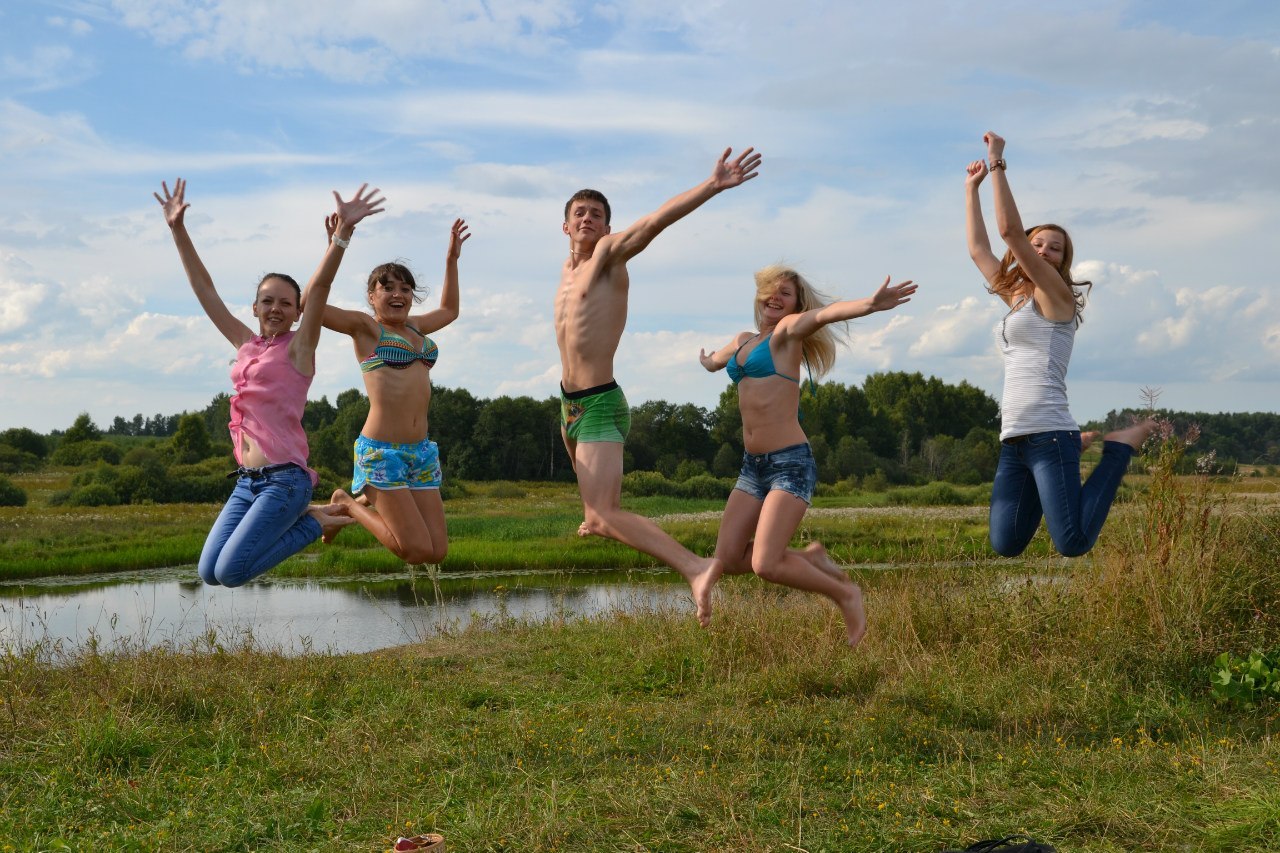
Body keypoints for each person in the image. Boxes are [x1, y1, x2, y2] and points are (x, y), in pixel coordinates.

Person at [555, 147, 762, 628]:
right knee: (597, 517)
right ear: (564, 226)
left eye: (597, 214)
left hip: (600, 401)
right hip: (569, 405)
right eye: (579, 212)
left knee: (604, 516)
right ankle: (601, 515)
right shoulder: (566, 273)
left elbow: (654, 222)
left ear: (607, 227)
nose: (588, 218)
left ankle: (696, 567)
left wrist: (711, 186)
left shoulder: (608, 256)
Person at [156, 178, 384, 586]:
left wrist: (341, 236)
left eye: (285, 303)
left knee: (231, 572)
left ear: (297, 312)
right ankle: (311, 516)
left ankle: (315, 523)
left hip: (284, 481)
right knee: (208, 572)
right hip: (247, 482)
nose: (275, 308)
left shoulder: (299, 348)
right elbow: (204, 290)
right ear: (255, 307)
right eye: (267, 301)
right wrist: (178, 230)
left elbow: (320, 289)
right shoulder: (244, 343)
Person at [699, 267, 916, 647]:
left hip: (789, 464)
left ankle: (845, 594)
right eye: (771, 290)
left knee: (765, 564)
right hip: (752, 468)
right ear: (760, 294)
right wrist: (707, 361)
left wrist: (869, 304)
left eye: (786, 294)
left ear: (795, 306)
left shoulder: (787, 332)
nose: (776, 297)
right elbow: (717, 360)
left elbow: (825, 315)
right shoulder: (744, 340)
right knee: (728, 559)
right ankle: (811, 558)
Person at [965, 131, 1155, 558]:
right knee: (1006, 543)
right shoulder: (1017, 298)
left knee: (1072, 542)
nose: (1044, 251)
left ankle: (1118, 448)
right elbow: (978, 249)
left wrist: (996, 162)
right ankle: (1079, 447)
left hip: (1049, 433)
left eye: (1054, 248)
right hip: (1014, 439)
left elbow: (1009, 231)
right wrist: (970, 189)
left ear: (1062, 261)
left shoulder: (1057, 297)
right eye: (1038, 244)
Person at [317, 219, 470, 564]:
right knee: (415, 551)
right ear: (372, 297)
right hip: (381, 451)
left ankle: (355, 503)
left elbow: (450, 310)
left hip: (421, 451)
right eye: (387, 288)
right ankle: (347, 505)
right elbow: (314, 306)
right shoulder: (366, 329)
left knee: (437, 552)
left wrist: (451, 260)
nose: (398, 294)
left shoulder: (416, 327)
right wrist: (334, 248)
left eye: (405, 288)